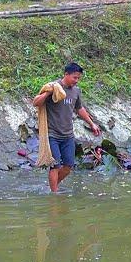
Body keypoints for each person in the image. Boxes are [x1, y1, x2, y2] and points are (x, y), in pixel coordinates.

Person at [32, 62, 101, 193]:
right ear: (66, 74)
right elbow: (36, 102)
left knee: (68, 166)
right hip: (52, 134)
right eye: (75, 77)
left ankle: (52, 187)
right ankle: (54, 197)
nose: (76, 80)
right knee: (55, 166)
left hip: (68, 135)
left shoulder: (76, 91)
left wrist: (91, 124)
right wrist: (47, 94)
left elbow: (79, 108)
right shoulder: (54, 87)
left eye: (78, 78)